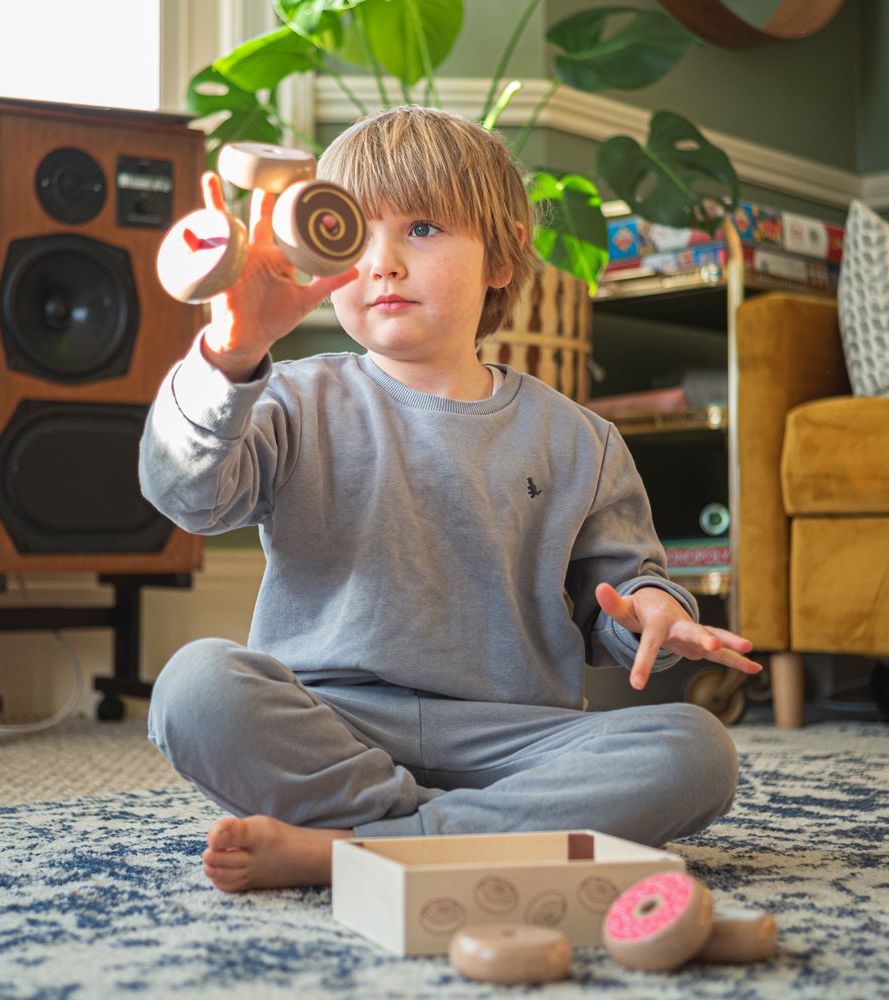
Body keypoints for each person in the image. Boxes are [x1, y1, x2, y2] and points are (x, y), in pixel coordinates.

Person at [140, 106, 762, 894]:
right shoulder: (292, 397)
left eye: (424, 229)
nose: (384, 263)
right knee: (195, 688)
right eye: (356, 234)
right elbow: (185, 494)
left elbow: (621, 599)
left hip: (515, 736)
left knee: (695, 751)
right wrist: (228, 356)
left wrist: (652, 612)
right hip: (330, 719)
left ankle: (356, 848)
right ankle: (449, 838)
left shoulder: (580, 439)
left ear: (500, 257)